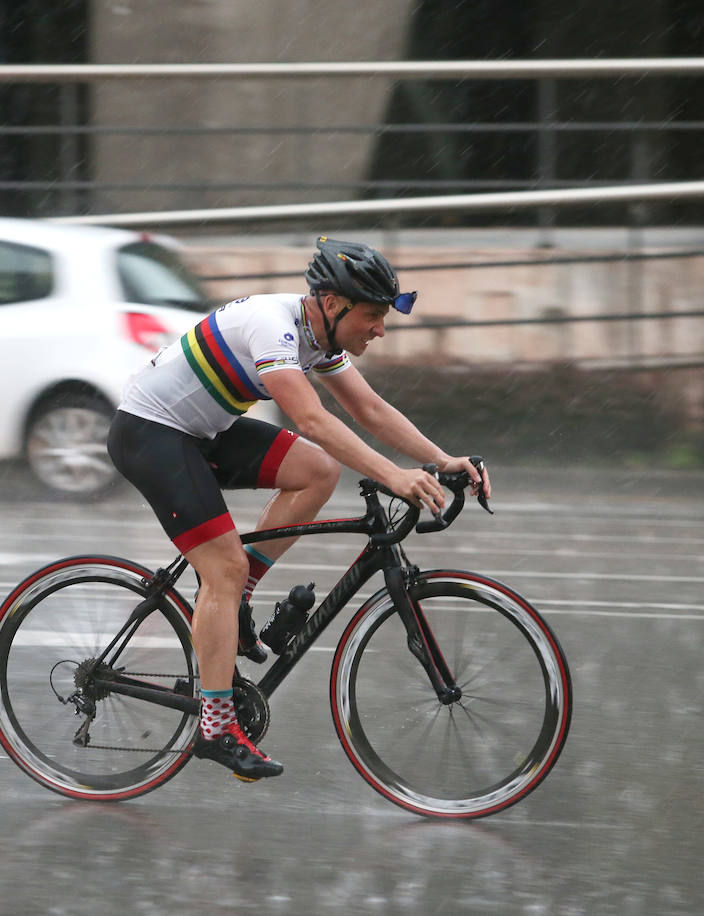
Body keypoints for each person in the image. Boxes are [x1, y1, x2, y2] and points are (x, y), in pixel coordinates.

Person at [106, 236, 489, 782]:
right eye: (373, 315)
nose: (380, 329)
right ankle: (214, 727)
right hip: (151, 435)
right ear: (333, 305)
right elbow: (311, 419)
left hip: (202, 432)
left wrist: (440, 459)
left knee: (317, 472)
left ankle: (238, 598)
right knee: (223, 567)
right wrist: (391, 475)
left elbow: (369, 409)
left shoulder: (319, 336)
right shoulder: (273, 325)